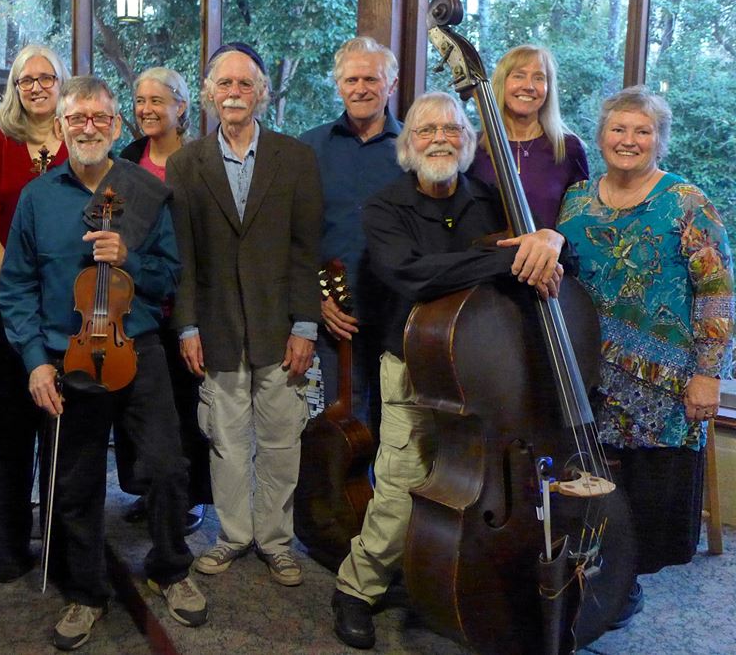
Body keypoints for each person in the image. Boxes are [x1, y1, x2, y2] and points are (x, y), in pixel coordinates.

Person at [330, 91, 566, 650]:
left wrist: (550, 241)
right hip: (414, 366)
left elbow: (552, 260)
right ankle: (356, 589)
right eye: (426, 130)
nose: (440, 138)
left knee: (473, 487)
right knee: (400, 487)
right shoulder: (385, 208)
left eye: (453, 130)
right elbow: (412, 275)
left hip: (486, 374)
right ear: (407, 144)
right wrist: (507, 258)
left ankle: (450, 581)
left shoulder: (493, 200)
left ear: (469, 141)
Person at [0, 75, 207, 651]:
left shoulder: (140, 188)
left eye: (100, 118)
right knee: (75, 482)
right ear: (62, 128)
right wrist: (36, 362)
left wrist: (131, 259)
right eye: (77, 118)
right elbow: (16, 285)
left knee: (166, 468)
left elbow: (170, 274)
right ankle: (86, 592)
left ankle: (171, 568)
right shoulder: (39, 198)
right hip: (67, 356)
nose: (88, 127)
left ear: (116, 126)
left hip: (137, 348)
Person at [556, 85, 734, 628]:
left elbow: (718, 292)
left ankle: (624, 584)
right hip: (588, 371)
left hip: (666, 381)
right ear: (601, 135)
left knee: (645, 496)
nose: (628, 140)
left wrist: (708, 376)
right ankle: (594, 577)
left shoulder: (688, 202)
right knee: (592, 487)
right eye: (618, 129)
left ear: (659, 140)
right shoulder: (576, 198)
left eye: (642, 130)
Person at [168, 42, 322, 587]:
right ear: (208, 94)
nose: (234, 93)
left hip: (282, 329)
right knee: (227, 441)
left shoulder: (296, 158)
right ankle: (233, 536)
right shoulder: (185, 163)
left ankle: (276, 542)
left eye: (245, 84)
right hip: (216, 330)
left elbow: (307, 250)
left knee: (281, 441)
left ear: (262, 92)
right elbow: (181, 256)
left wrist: (306, 325)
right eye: (224, 85)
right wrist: (187, 326)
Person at [0, 44, 70, 583]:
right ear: (14, 86)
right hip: (1, 301)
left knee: (59, 425)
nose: (35, 86)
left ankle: (61, 548)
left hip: (65, 309)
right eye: (25, 79)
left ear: (61, 82)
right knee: (5, 430)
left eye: (45, 77)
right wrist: (19, 286)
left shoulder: (78, 136)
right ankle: (4, 553)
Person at [117, 67, 208, 534]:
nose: (147, 110)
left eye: (157, 101)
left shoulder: (199, 159)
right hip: (139, 304)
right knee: (138, 405)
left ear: (182, 107)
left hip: (187, 301)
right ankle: (148, 491)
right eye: (139, 101)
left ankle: (187, 498)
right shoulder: (127, 158)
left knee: (183, 404)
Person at [299, 36, 404, 432]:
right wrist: (316, 295)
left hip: (398, 314)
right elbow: (292, 233)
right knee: (341, 423)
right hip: (333, 312)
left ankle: (387, 497)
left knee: (396, 424)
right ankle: (345, 496)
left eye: (372, 79)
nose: (361, 88)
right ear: (339, 85)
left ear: (390, 85)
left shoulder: (414, 147)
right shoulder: (308, 148)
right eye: (352, 80)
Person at [468, 44, 588, 226]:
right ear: (502, 82)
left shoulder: (569, 148)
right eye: (519, 76)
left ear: (548, 88)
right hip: (486, 254)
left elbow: (579, 222)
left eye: (539, 78)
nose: (529, 86)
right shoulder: (473, 148)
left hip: (551, 254)